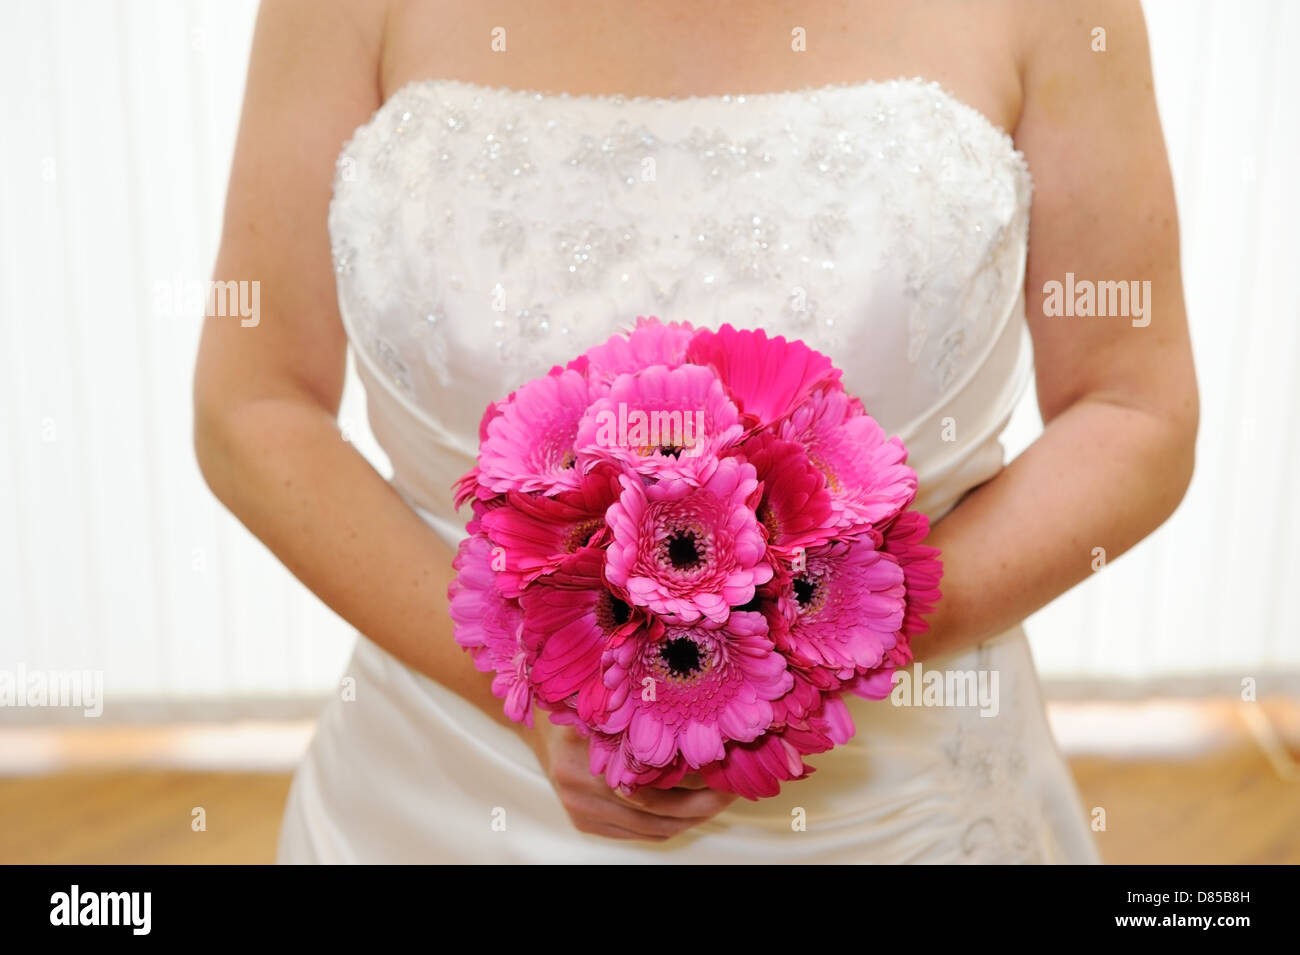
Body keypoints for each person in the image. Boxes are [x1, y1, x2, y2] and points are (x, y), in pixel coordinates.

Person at [194, 0, 1198, 862]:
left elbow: (1132, 411)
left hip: (897, 809)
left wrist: (807, 652)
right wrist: (536, 683)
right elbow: (253, 404)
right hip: (436, 798)